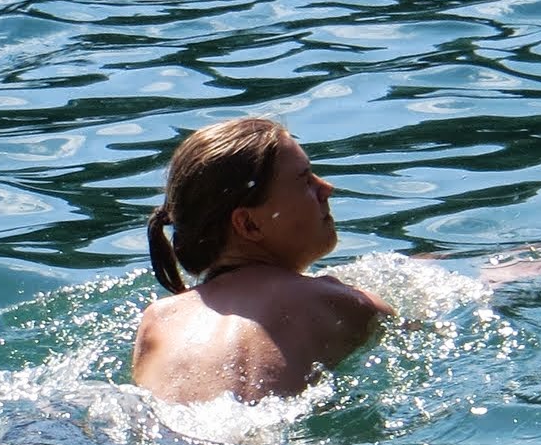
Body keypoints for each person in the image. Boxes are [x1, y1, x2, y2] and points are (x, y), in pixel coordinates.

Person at [132, 117, 395, 406]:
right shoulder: (334, 301)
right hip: (267, 430)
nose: (326, 188)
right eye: (305, 180)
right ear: (249, 224)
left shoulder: (158, 319)